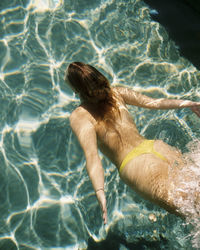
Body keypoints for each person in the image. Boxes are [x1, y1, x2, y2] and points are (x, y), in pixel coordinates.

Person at [65, 62, 200, 224]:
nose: (101, 90)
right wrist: (100, 192)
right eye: (95, 87)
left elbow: (152, 102)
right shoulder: (98, 105)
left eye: (101, 84)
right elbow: (154, 103)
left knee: (195, 200)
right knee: (193, 200)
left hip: (146, 157)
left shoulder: (98, 105)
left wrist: (187, 103)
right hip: (146, 156)